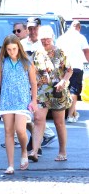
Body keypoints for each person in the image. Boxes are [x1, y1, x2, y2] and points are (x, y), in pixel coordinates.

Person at [1, 18, 57, 151]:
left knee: (37, 117)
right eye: (29, 28)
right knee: (26, 117)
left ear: (39, 28)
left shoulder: (43, 44)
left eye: (34, 28)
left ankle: (36, 146)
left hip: (41, 86)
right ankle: (39, 141)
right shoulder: (21, 44)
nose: (32, 31)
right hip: (23, 87)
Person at [0, 34, 37, 174]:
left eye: (14, 49)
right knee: (8, 132)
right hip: (6, 101)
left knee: (21, 130)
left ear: (19, 48)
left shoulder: (27, 62)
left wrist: (34, 100)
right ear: (5, 49)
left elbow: (33, 83)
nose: (12, 52)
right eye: (9, 49)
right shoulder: (2, 63)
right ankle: (10, 165)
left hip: (22, 101)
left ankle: (24, 151)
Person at [28, 25, 73, 162]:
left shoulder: (60, 52)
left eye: (47, 39)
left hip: (58, 91)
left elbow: (69, 70)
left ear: (52, 38)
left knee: (59, 123)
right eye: (42, 39)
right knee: (38, 119)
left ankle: (62, 151)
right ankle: (35, 151)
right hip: (42, 92)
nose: (45, 42)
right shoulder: (36, 53)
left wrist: (64, 81)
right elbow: (32, 72)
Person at [56, 20, 89, 123]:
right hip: (76, 66)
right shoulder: (81, 37)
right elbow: (86, 51)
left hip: (63, 67)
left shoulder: (61, 38)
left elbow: (57, 51)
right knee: (74, 90)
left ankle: (69, 113)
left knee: (64, 89)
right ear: (79, 28)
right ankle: (70, 115)